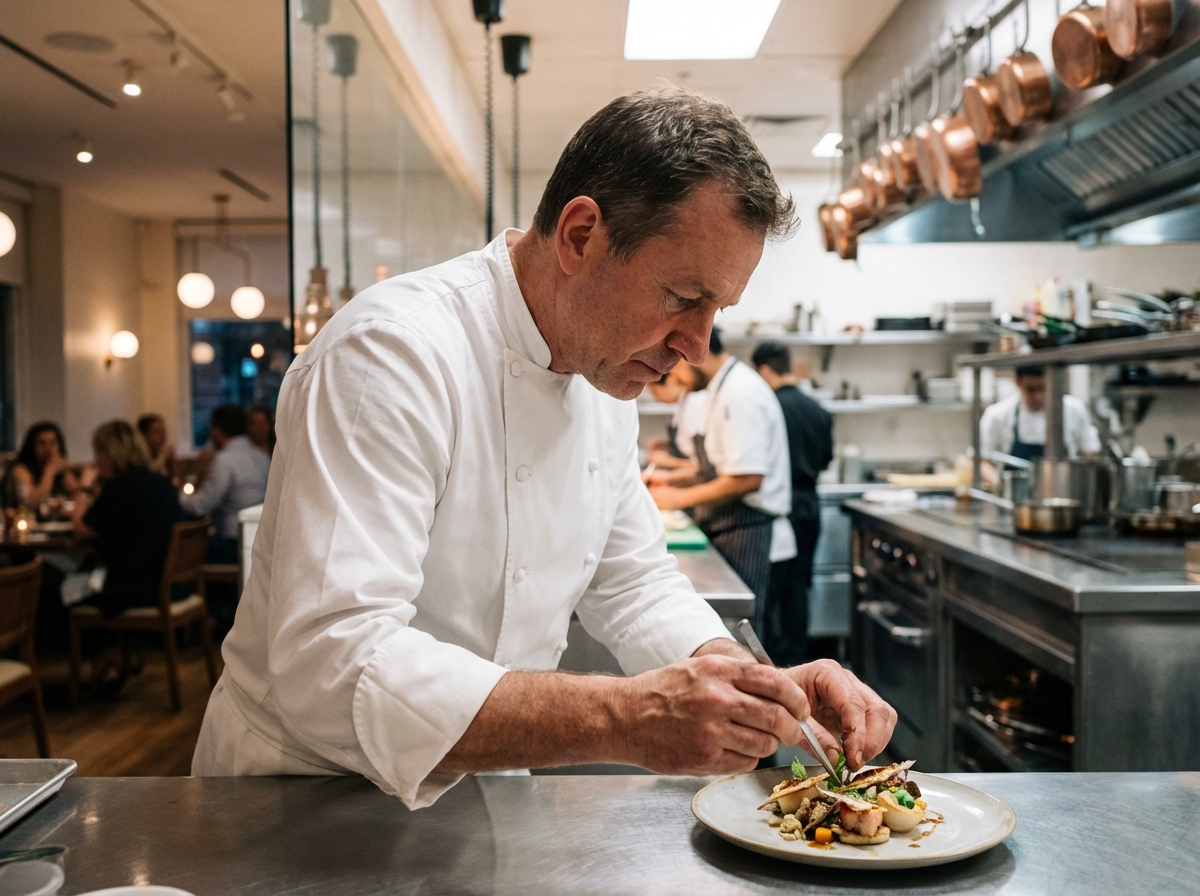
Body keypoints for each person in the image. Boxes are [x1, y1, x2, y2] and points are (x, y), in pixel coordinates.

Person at [193, 87, 896, 807]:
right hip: (301, 800)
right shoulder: (392, 354)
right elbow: (331, 662)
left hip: (482, 786)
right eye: (684, 297)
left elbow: (631, 581)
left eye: (718, 310)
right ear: (581, 235)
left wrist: (743, 682)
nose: (697, 344)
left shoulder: (603, 377)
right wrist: (623, 718)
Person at [647, 328, 796, 621]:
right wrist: (669, 481)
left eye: (673, 365)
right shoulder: (719, 388)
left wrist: (677, 498)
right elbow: (712, 467)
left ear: (696, 350)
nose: (672, 377)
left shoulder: (740, 393)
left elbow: (748, 478)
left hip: (751, 531)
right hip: (732, 528)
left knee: (745, 637)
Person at [71, 420, 184, 690]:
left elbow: (80, 528)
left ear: (112, 452)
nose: (96, 460)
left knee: (55, 589)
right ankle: (117, 654)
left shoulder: (122, 486)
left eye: (99, 453)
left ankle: (106, 660)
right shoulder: (158, 482)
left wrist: (84, 486)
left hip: (134, 588)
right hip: (168, 583)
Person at [751, 342, 834, 667]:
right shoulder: (818, 409)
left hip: (781, 504)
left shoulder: (768, 407)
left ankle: (774, 662)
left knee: (773, 588)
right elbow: (826, 458)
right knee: (799, 585)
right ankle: (799, 659)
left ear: (765, 370)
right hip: (810, 503)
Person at [180, 405, 270, 564]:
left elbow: (201, 507)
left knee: (185, 554)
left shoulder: (224, 461)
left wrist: (180, 495)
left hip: (234, 545)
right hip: (263, 542)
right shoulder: (263, 457)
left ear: (216, 431)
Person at [979, 365, 1101, 463]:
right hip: (1016, 491)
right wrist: (1002, 488)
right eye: (1030, 389)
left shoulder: (1074, 409)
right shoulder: (997, 415)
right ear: (1017, 382)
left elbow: (1089, 453)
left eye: (1043, 388)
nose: (1038, 397)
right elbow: (982, 461)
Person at [5, 422, 77, 509]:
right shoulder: (20, 470)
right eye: (42, 443)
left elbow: (77, 495)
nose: (48, 448)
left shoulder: (60, 470)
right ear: (33, 447)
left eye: (53, 443)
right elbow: (31, 503)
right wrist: (50, 471)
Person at [137, 413, 176, 480]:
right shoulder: (137, 457)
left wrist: (171, 465)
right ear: (143, 435)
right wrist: (163, 459)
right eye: (157, 432)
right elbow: (145, 474)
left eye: (164, 432)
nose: (163, 436)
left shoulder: (160, 454)